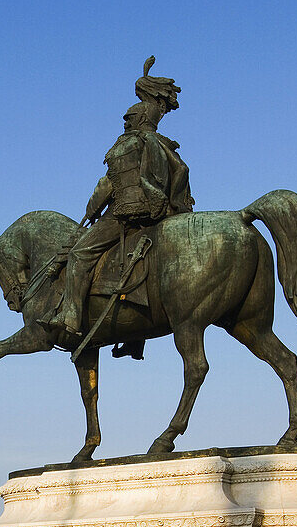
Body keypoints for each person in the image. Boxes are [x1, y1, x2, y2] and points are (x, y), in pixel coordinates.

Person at [48, 57, 194, 348]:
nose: (124, 123)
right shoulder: (165, 146)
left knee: (79, 255)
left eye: (127, 119)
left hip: (127, 213)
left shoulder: (128, 144)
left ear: (138, 119)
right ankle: (134, 336)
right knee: (135, 264)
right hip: (162, 215)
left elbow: (108, 184)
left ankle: (70, 316)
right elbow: (182, 177)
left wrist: (91, 209)